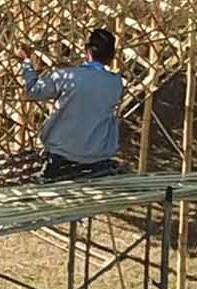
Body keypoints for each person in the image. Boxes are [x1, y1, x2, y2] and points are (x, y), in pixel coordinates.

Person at [21, 28, 124, 182]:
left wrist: (27, 62)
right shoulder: (116, 83)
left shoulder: (65, 76)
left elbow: (32, 91)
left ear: (87, 50)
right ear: (112, 56)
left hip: (61, 152)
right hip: (98, 154)